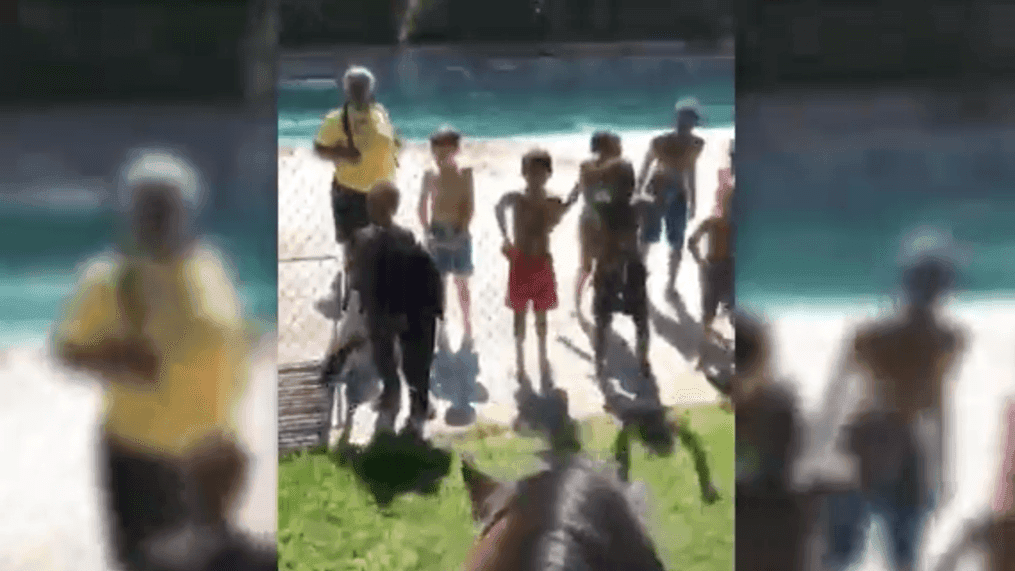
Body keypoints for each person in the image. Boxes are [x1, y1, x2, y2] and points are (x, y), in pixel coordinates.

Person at [51, 149, 253, 571]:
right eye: (149, 206)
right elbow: (67, 351)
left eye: (167, 205)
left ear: (186, 209)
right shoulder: (112, 280)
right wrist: (114, 358)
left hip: (209, 458)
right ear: (132, 213)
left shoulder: (209, 266)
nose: (158, 216)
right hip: (143, 459)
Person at [813, 229, 969, 571]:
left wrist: (941, 465)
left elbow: (836, 399)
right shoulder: (935, 340)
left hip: (879, 446)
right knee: (862, 552)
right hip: (873, 446)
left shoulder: (935, 340)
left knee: (873, 552)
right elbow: (937, 405)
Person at [349, 182, 444, 438]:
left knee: (406, 359)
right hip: (400, 306)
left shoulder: (370, 240)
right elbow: (360, 280)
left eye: (375, 205)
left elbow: (360, 281)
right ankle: (399, 395)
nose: (372, 209)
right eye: (372, 205)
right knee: (397, 357)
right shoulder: (393, 239)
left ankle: (411, 401)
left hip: (399, 306)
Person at [568, 134, 652, 384]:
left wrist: (567, 204)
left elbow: (580, 190)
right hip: (618, 248)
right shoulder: (622, 178)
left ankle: (599, 363)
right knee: (638, 316)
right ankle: (640, 360)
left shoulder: (591, 170)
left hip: (598, 234)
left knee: (593, 281)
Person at [314, 66, 401, 306]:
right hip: (350, 193)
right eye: (354, 87)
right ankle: (354, 298)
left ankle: (373, 295)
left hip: (380, 194)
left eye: (361, 86)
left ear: (369, 88)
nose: (358, 91)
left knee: (379, 246)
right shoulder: (336, 119)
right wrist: (341, 152)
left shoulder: (380, 112)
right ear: (347, 89)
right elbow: (319, 148)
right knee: (353, 248)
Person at [495, 149, 570, 385]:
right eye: (531, 173)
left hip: (541, 263)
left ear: (548, 174)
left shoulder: (552, 201)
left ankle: (542, 355)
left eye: (540, 173)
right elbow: (499, 207)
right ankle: (519, 360)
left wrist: (569, 203)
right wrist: (505, 236)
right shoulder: (516, 197)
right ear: (523, 174)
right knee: (519, 314)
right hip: (520, 262)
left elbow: (556, 220)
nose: (535, 177)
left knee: (541, 314)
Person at [636, 98, 705, 298]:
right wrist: (638, 192)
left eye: (689, 120)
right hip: (656, 195)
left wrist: (693, 200)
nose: (685, 124)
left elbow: (690, 171)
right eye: (683, 119)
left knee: (673, 243)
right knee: (648, 239)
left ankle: (670, 285)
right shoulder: (660, 142)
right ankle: (642, 280)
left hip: (676, 196)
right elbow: (646, 166)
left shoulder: (695, 144)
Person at [418, 126, 475, 346]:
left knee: (462, 282)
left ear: (457, 150)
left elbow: (469, 205)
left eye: (446, 152)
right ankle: (441, 325)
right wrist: (427, 232)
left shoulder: (465, 173)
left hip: (460, 231)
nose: (440, 157)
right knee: (439, 283)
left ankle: (468, 324)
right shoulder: (430, 175)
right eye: (437, 152)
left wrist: (461, 231)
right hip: (437, 231)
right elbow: (422, 205)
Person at [564, 131, 618, 318]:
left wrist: (566, 205)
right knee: (591, 266)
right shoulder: (610, 169)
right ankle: (581, 303)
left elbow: (577, 190)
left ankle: (582, 302)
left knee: (589, 267)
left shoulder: (587, 166)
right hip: (599, 223)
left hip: (593, 221)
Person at [687, 185, 734, 369]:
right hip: (718, 270)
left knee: (717, 313)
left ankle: (708, 351)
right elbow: (692, 242)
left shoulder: (717, 224)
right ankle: (705, 353)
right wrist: (700, 262)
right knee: (710, 313)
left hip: (723, 270)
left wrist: (701, 261)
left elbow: (692, 242)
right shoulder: (713, 223)